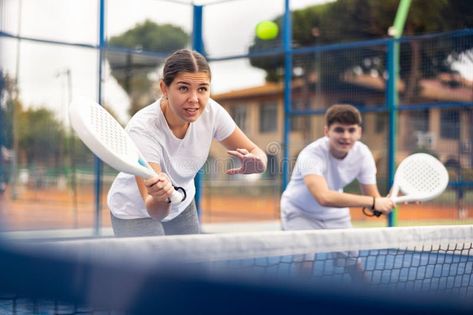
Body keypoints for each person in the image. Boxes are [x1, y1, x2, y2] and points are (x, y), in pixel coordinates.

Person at [107, 49, 267, 237]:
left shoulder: (212, 113)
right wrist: (162, 197)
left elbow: (255, 151)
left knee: (190, 263)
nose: (194, 99)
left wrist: (259, 162)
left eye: (202, 89)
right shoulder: (142, 129)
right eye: (183, 88)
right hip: (135, 212)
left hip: (182, 203)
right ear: (164, 88)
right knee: (154, 266)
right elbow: (155, 210)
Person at [280, 104, 394, 281]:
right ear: (327, 131)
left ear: (359, 132)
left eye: (351, 130)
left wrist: (384, 205)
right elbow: (323, 197)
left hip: (336, 214)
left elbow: (374, 201)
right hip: (299, 211)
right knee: (305, 263)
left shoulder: (363, 154)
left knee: (354, 265)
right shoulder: (310, 155)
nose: (346, 136)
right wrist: (373, 202)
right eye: (339, 130)